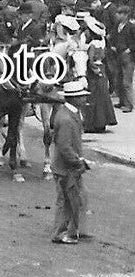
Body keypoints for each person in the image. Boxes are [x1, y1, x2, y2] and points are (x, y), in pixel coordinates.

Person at [50, 80, 89, 244]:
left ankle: (74, 229)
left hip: (68, 166)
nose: (83, 99)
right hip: (66, 168)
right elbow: (64, 146)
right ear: (73, 99)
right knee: (66, 201)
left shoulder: (69, 113)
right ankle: (61, 233)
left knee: (77, 198)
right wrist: (77, 161)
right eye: (80, 96)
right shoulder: (66, 119)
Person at [112, 5, 134, 112]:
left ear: (126, 15)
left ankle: (129, 104)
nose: (117, 15)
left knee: (126, 82)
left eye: (120, 13)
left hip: (128, 56)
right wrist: (113, 45)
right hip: (118, 55)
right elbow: (112, 37)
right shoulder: (117, 26)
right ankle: (122, 101)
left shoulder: (131, 27)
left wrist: (130, 49)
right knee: (119, 80)